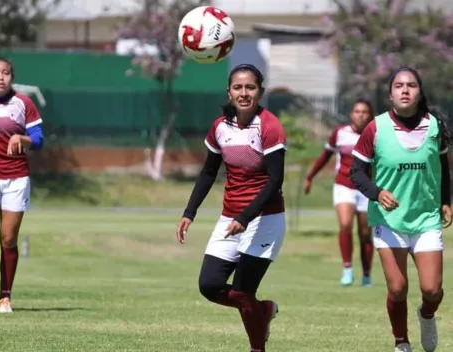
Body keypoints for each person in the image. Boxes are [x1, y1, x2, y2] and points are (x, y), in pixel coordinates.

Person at [175, 64, 286, 352]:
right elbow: (208, 173)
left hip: (265, 219)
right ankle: (264, 310)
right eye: (238, 87)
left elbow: (275, 181)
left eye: (250, 87)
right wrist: (189, 212)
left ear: (260, 91)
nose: (244, 93)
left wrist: (245, 217)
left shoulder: (270, 126)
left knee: (242, 290)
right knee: (209, 285)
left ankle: (256, 348)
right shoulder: (220, 126)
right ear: (229, 91)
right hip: (231, 219)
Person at [350, 66, 451, 352]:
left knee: (432, 290)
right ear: (390, 95)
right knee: (397, 288)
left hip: (426, 219)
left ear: (420, 92)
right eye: (398, 86)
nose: (405, 90)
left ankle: (427, 314)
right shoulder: (375, 127)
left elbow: (443, 168)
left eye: (411, 85)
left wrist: (446, 201)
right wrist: (377, 193)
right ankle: (401, 341)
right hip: (388, 220)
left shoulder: (434, 127)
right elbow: (356, 172)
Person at [0, 57, 44, 313]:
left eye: (5, 73)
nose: (0, 77)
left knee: (8, 239)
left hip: (16, 179)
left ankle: (5, 296)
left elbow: (39, 140)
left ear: (12, 77)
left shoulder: (23, 104)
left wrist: (23, 138)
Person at [303, 98, 375, 287]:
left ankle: (366, 275)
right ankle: (347, 269)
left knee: (365, 233)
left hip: (367, 189)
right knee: (345, 225)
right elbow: (325, 156)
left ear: (370, 115)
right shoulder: (340, 133)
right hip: (343, 186)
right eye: (357, 111)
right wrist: (310, 177)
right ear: (351, 114)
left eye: (365, 111)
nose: (361, 115)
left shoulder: (376, 135)